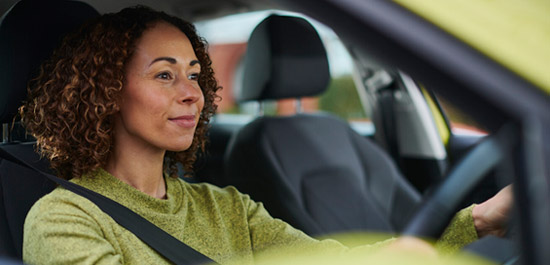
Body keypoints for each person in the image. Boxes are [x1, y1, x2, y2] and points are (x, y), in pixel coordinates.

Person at [19, 6, 512, 265]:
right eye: (165, 75)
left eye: (195, 75)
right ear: (106, 92)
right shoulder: (62, 221)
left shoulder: (227, 207)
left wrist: (480, 220)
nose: (193, 94)